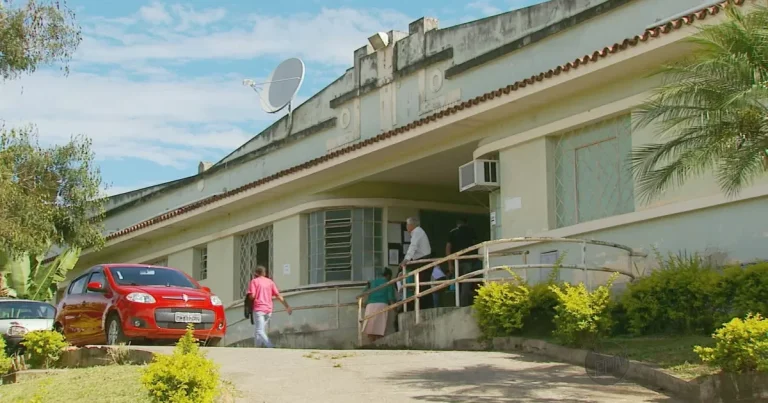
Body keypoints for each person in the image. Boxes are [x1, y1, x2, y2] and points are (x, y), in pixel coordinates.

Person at [247, 265, 292, 348]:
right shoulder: (270, 282)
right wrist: (287, 306)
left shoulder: (254, 281)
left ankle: (270, 346)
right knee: (259, 329)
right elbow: (278, 295)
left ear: (256, 273)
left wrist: (249, 296)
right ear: (264, 273)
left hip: (259, 309)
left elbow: (252, 296)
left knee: (259, 330)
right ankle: (257, 348)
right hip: (268, 310)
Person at [400, 217, 433, 310]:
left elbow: (413, 246)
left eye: (407, 224)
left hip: (424, 260)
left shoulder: (417, 231)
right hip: (421, 260)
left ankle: (425, 307)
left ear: (411, 225)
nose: (406, 227)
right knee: (422, 284)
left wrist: (406, 259)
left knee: (423, 285)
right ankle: (422, 306)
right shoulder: (417, 232)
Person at [446, 218, 480, 307]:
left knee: (458, 283)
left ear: (457, 223)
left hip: (456, 261)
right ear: (466, 223)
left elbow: (448, 248)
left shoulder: (452, 232)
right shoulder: (470, 231)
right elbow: (475, 245)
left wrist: (450, 264)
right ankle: (463, 304)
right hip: (468, 261)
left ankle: (459, 303)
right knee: (466, 283)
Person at [362, 268, 396, 343]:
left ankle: (371, 343)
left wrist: (363, 303)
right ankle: (379, 344)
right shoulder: (388, 282)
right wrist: (395, 310)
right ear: (388, 275)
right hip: (382, 304)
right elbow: (390, 298)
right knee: (380, 327)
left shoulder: (372, 282)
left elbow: (363, 293)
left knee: (370, 327)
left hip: (370, 305)